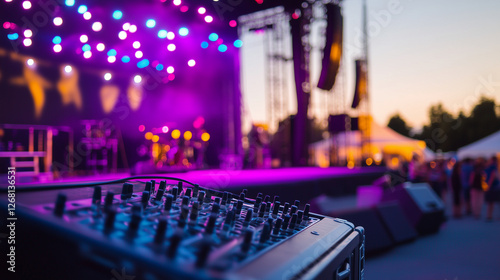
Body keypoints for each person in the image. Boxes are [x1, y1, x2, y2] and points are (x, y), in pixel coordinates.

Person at [484, 156, 499, 222]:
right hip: (493, 187)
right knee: (492, 202)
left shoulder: (489, 167)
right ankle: (489, 216)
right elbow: (493, 176)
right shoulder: (493, 167)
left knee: (490, 202)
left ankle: (489, 216)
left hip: (491, 187)